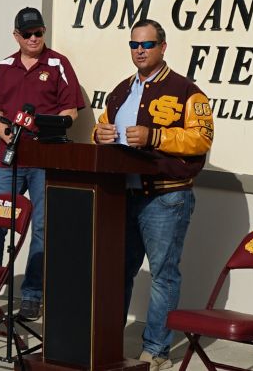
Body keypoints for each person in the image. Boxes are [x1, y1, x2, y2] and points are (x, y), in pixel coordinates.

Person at [93, 19, 214, 371]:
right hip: (123, 195)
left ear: (163, 47)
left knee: (163, 275)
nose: (140, 51)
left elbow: (201, 138)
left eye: (147, 44)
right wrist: (99, 134)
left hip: (166, 197)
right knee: (118, 271)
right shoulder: (120, 90)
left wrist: (155, 136)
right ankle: (107, 340)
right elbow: (102, 126)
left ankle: (157, 350)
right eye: (134, 45)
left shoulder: (186, 91)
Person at [0, 7, 84, 321]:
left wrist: (50, 130)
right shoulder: (5, 65)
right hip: (8, 160)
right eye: (27, 34)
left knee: (43, 228)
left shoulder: (59, 63)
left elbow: (71, 111)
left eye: (38, 32)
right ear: (16, 36)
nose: (34, 38)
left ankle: (33, 295)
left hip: (45, 160)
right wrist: (6, 134)